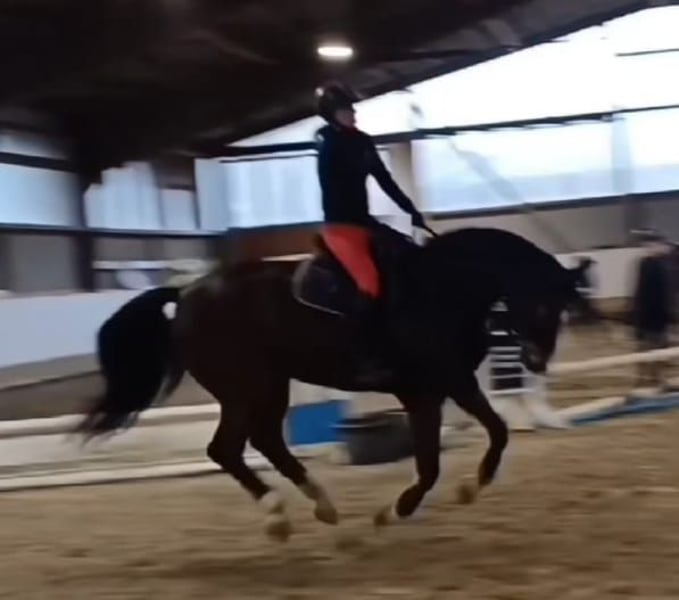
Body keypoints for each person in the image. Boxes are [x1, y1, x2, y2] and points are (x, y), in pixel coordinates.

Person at [314, 81, 428, 381]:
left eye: (352, 108)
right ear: (331, 114)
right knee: (369, 282)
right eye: (345, 109)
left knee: (408, 259)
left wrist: (410, 209)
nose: (352, 113)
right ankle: (361, 354)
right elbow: (333, 187)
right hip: (341, 226)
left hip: (365, 222)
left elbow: (384, 180)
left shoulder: (363, 142)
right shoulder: (327, 144)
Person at [630, 231, 674, 388]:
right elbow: (641, 291)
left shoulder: (666, 263)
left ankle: (657, 378)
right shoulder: (646, 264)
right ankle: (643, 379)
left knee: (660, 349)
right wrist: (637, 315)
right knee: (646, 349)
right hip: (648, 315)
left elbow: (668, 291)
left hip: (661, 315)